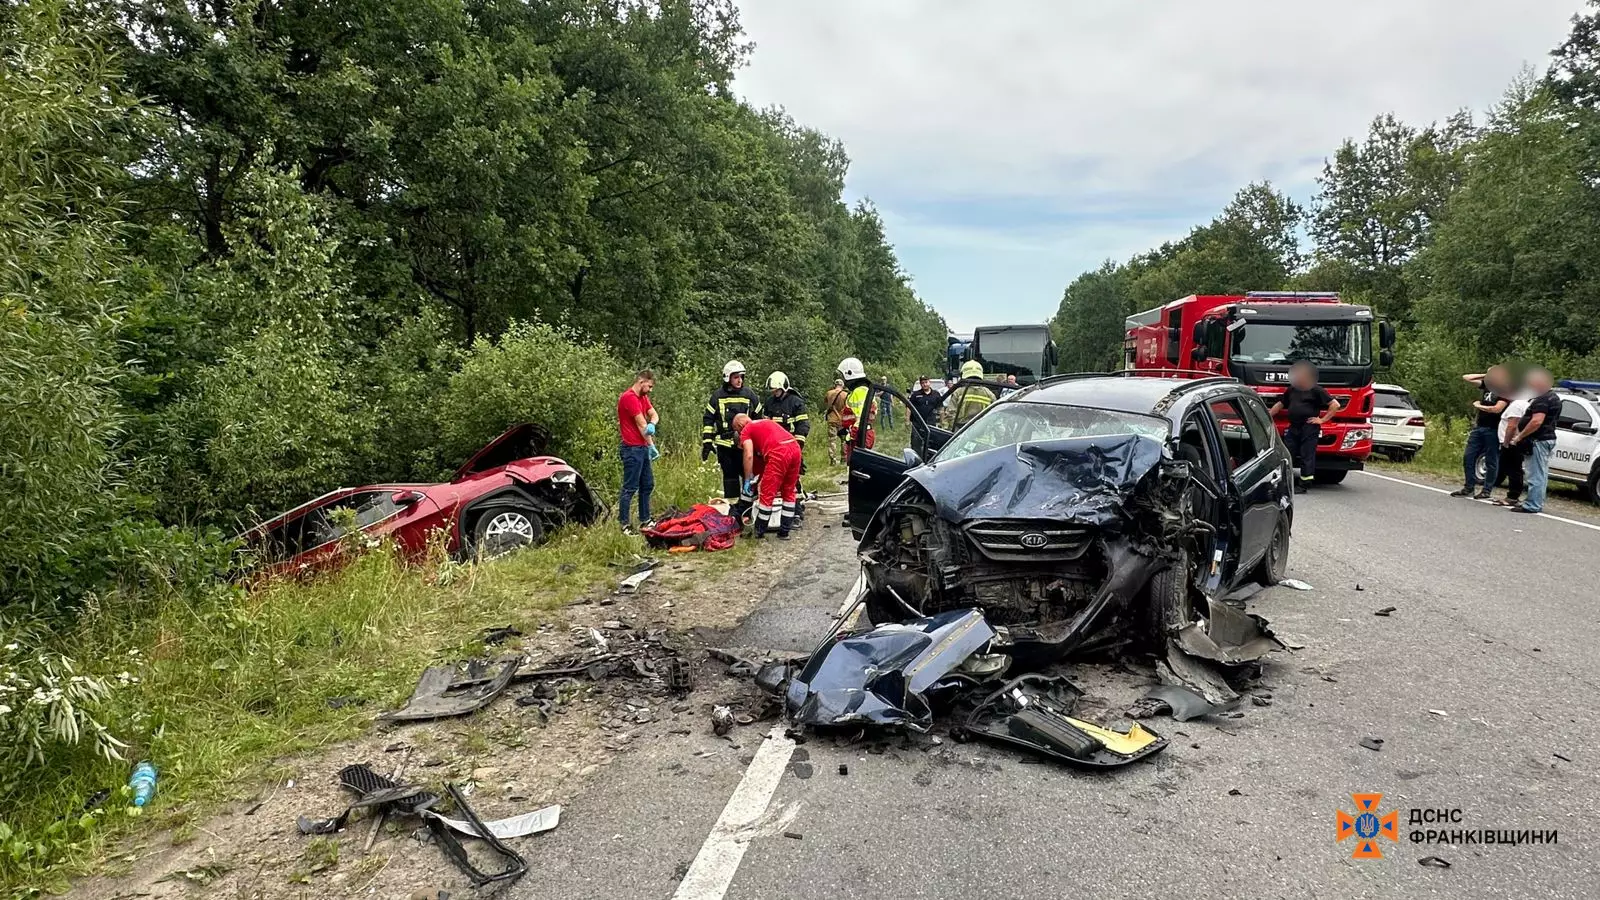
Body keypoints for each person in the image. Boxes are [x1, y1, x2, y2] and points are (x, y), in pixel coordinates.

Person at [1266, 361, 1340, 493]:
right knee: (1287, 453)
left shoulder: (1316, 390)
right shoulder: (1292, 389)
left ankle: (1305, 484)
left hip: (1309, 427)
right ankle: (1284, 481)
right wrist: (1267, 416)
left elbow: (1335, 405)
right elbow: (1280, 404)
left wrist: (1322, 420)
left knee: (1307, 454)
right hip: (1294, 427)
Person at [732, 413, 802, 539]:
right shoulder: (765, 423)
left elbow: (748, 455)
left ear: (740, 425)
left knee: (767, 493)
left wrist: (747, 479)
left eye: (736, 429)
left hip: (779, 452)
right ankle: (784, 532)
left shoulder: (747, 429)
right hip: (795, 448)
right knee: (789, 491)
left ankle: (759, 532)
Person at [701, 360, 761, 499]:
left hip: (744, 444)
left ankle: (749, 505)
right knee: (730, 479)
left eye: (741, 377)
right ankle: (733, 508)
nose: (739, 380)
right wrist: (707, 442)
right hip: (724, 446)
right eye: (736, 377)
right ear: (728, 378)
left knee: (749, 476)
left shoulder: (749, 395)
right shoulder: (717, 396)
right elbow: (708, 419)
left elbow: (758, 418)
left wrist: (758, 442)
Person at [1505, 368, 1561, 514]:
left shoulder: (1542, 399)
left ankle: (1532, 504)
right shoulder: (1553, 397)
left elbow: (1536, 421)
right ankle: (1536, 501)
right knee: (1541, 473)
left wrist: (1520, 436)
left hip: (1537, 440)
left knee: (1535, 474)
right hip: (1546, 438)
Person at [1452, 367, 1510, 498]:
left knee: (1491, 460)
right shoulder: (1488, 386)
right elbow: (1467, 377)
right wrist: (1486, 375)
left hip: (1493, 429)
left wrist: (1479, 406)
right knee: (1469, 456)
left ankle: (1486, 490)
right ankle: (1469, 486)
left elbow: (1497, 409)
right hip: (1479, 427)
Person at [758, 372, 810, 509]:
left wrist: (798, 444)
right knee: (774, 477)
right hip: (774, 447)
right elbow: (766, 424)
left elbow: (803, 425)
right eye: (773, 390)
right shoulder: (770, 402)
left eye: (776, 390)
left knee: (792, 478)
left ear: (784, 387)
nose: (774, 393)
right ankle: (777, 507)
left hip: (791, 445)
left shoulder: (795, 402)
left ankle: (797, 509)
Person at [617, 369, 659, 532]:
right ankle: (624, 524)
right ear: (641, 382)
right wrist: (651, 445)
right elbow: (642, 425)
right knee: (630, 487)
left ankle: (645, 519)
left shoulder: (643, 397)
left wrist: (653, 424)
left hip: (641, 447)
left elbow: (654, 414)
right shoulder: (629, 398)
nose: (650, 390)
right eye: (649, 386)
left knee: (647, 484)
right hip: (632, 448)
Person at [1491, 387, 1533, 507]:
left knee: (1513, 469)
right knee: (1511, 468)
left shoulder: (1517, 405)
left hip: (1511, 442)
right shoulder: (1525, 404)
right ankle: (1511, 494)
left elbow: (1512, 426)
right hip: (1516, 441)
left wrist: (1506, 442)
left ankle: (1513, 496)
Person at [838, 357, 875, 462]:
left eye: (843, 376)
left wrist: (853, 434)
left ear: (849, 374)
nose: (843, 380)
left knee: (858, 466)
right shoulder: (859, 390)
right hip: (859, 434)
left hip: (860, 435)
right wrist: (845, 428)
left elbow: (862, 416)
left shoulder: (860, 391)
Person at [822, 378, 849, 465]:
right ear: (842, 386)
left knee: (832, 440)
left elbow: (826, 403)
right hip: (842, 420)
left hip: (832, 419)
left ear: (835, 385)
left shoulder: (829, 393)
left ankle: (833, 460)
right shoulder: (845, 395)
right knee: (844, 440)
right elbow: (847, 407)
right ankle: (843, 459)